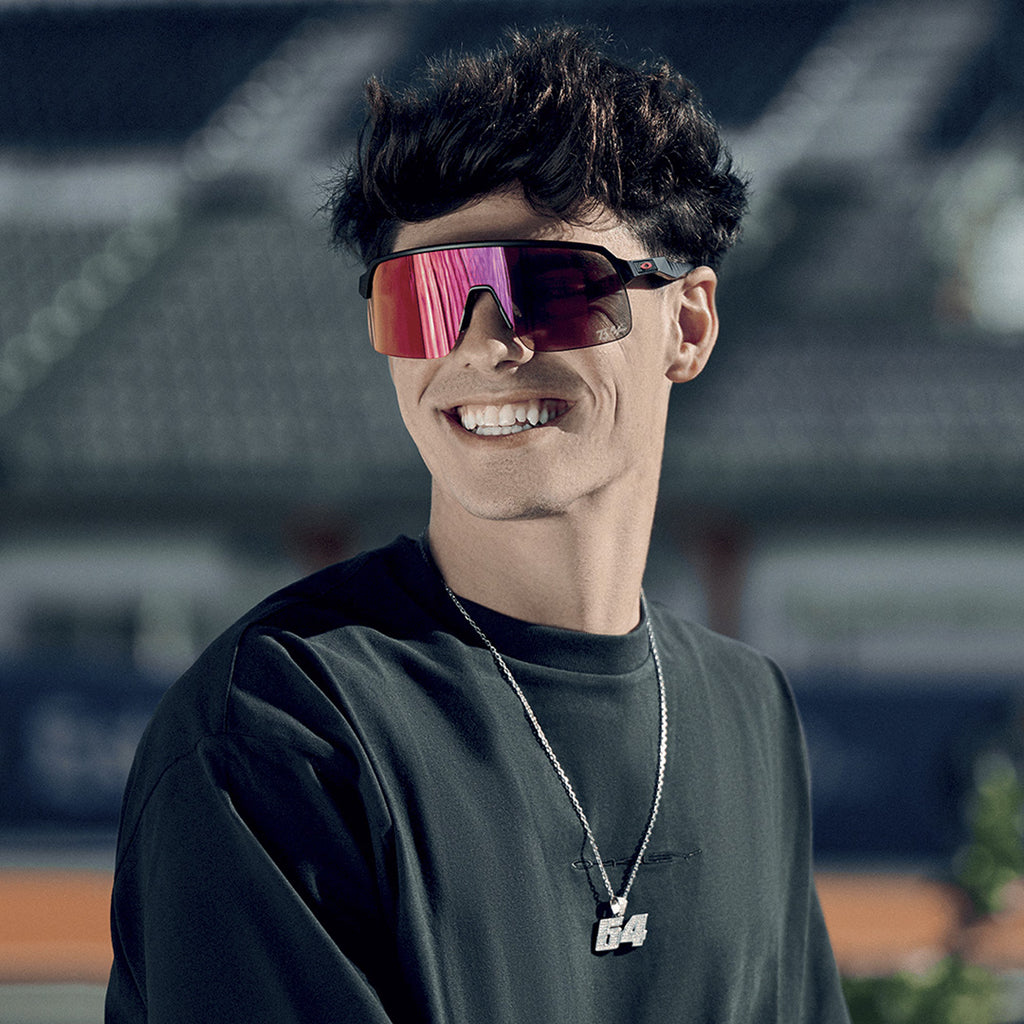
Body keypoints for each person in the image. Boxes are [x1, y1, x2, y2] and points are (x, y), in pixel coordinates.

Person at [106, 25, 851, 1024]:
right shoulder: (280, 729)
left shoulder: (749, 709)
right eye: (426, 299)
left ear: (688, 323)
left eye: (552, 286)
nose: (484, 345)